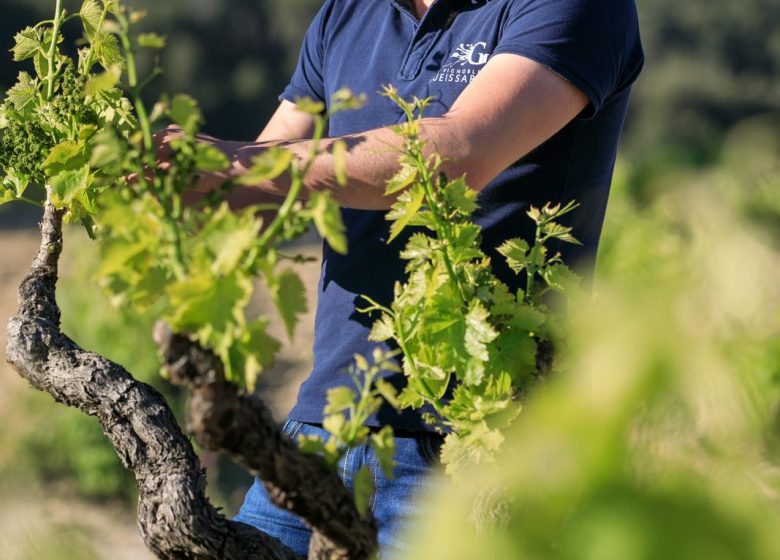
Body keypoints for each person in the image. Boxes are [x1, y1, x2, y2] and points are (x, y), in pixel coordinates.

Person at [155, 0, 643, 556]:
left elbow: (456, 153)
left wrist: (231, 165)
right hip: (325, 428)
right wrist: (162, 182)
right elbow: (261, 188)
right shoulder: (347, 13)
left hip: (473, 451)